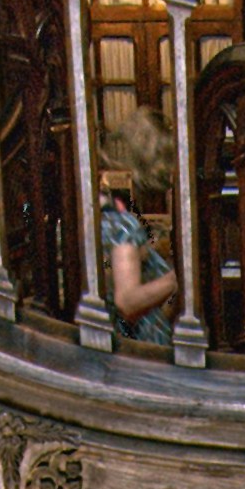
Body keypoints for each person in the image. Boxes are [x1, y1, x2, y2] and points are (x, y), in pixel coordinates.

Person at [97, 113, 180, 345]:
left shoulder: (106, 213)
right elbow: (127, 302)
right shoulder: (123, 224)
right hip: (141, 353)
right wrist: (179, 278)